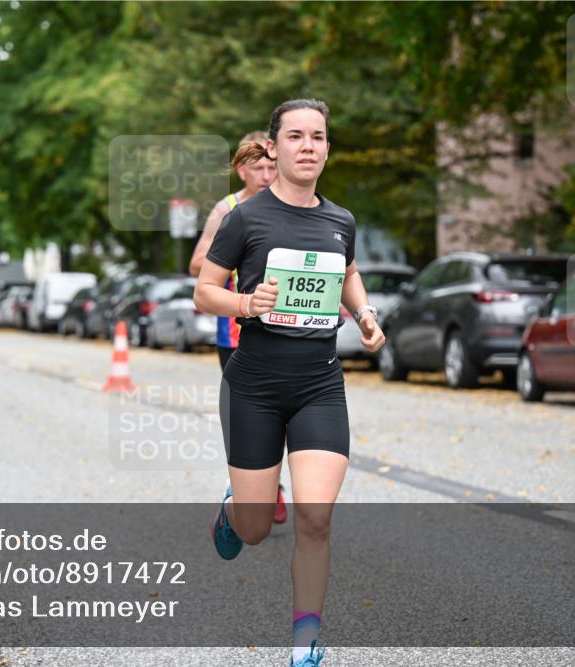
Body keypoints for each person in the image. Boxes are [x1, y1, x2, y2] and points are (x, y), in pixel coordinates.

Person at [193, 99, 385, 667]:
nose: (308, 146)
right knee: (256, 529)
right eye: (296, 136)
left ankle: (305, 641)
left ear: (328, 148)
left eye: (318, 136)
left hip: (319, 384)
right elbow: (204, 290)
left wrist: (365, 312)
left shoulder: (340, 220)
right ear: (272, 148)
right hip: (253, 383)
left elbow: (347, 272)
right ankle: (233, 512)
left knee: (315, 517)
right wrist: (247, 302)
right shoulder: (246, 218)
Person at [190, 131, 288, 525]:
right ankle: (247, 483)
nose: (265, 174)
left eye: (270, 165)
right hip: (233, 328)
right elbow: (198, 264)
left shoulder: (292, 204)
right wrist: (235, 258)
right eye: (257, 167)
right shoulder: (227, 209)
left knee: (282, 408)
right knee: (245, 412)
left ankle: (271, 484)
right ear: (241, 170)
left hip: (283, 325)